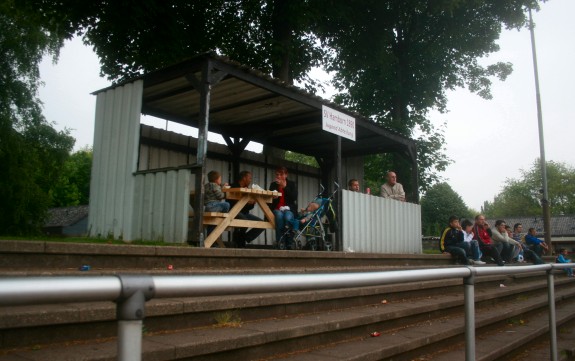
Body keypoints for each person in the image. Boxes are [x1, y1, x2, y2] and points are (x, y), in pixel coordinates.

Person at [228, 170, 264, 248]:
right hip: (234, 211)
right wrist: (246, 202)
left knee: (262, 224)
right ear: (244, 178)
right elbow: (230, 202)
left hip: (245, 213)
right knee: (244, 221)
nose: (250, 180)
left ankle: (244, 238)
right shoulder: (233, 186)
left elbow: (248, 207)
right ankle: (240, 241)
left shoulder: (248, 189)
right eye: (249, 178)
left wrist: (251, 204)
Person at [269, 166, 298, 245]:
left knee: (288, 216)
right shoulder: (273, 185)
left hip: (289, 209)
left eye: (281, 174)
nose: (278, 176)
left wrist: (285, 187)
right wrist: (272, 197)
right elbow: (269, 201)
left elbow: (294, 197)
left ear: (286, 175)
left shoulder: (291, 184)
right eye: (277, 175)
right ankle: (280, 242)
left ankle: (289, 242)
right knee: (279, 215)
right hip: (277, 209)